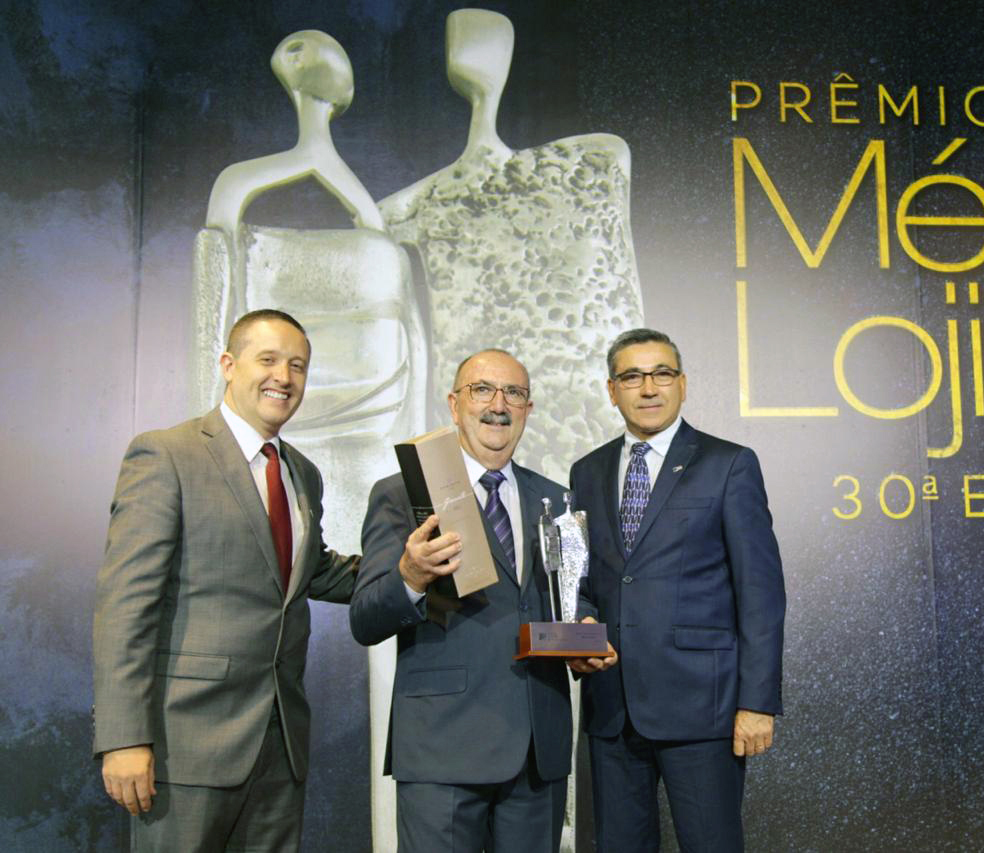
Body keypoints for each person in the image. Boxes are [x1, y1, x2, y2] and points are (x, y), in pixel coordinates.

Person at [92, 309, 359, 851]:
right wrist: (123, 738)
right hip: (183, 748)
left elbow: (310, 571)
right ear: (228, 365)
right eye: (268, 360)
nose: (284, 377)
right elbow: (126, 606)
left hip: (280, 748)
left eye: (298, 366)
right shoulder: (167, 454)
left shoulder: (302, 473)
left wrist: (409, 570)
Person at [350, 349, 607, 851]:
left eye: (514, 393)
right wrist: (410, 576)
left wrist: (583, 629)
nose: (498, 404)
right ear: (454, 403)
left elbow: (574, 597)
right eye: (482, 389)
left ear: (528, 408)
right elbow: (365, 619)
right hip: (442, 747)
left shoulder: (556, 498)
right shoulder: (403, 493)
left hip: (537, 748)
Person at [568, 328, 786, 853]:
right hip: (612, 709)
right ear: (611, 390)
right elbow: (580, 578)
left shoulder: (729, 464)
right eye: (632, 377)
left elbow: (761, 593)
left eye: (661, 374)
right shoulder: (586, 471)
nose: (649, 388)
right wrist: (580, 624)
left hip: (703, 711)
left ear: (682, 384)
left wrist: (757, 702)